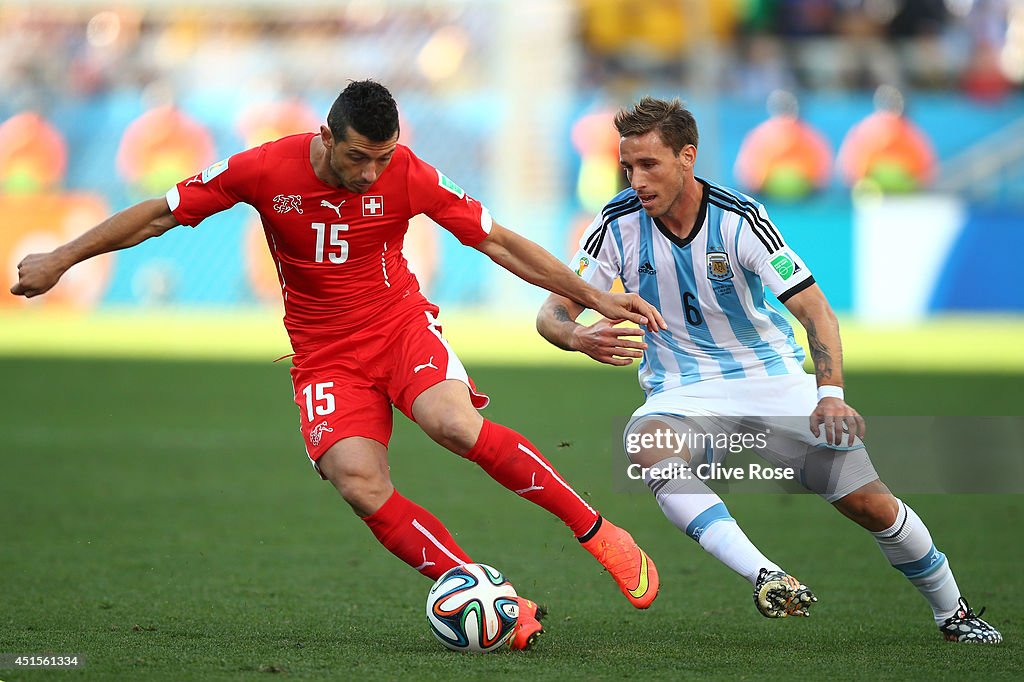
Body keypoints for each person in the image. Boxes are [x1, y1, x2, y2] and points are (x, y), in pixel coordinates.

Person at [10, 80, 669, 650]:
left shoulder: (406, 171)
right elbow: (159, 214)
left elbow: (496, 241)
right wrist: (60, 259)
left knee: (452, 424)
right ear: (326, 136)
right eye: (358, 157)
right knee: (356, 480)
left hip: (398, 326)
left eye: (381, 158)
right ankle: (479, 594)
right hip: (325, 353)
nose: (370, 174)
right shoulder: (265, 169)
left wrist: (593, 299)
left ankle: (597, 531)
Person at [536, 96, 1002, 644]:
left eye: (650, 164)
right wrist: (575, 334)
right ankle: (766, 575)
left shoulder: (740, 219)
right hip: (684, 391)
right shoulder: (616, 223)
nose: (636, 179)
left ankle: (954, 612)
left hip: (771, 381)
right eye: (629, 166)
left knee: (869, 503)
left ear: (688, 157)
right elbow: (553, 310)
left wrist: (830, 393)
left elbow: (815, 312)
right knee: (647, 443)